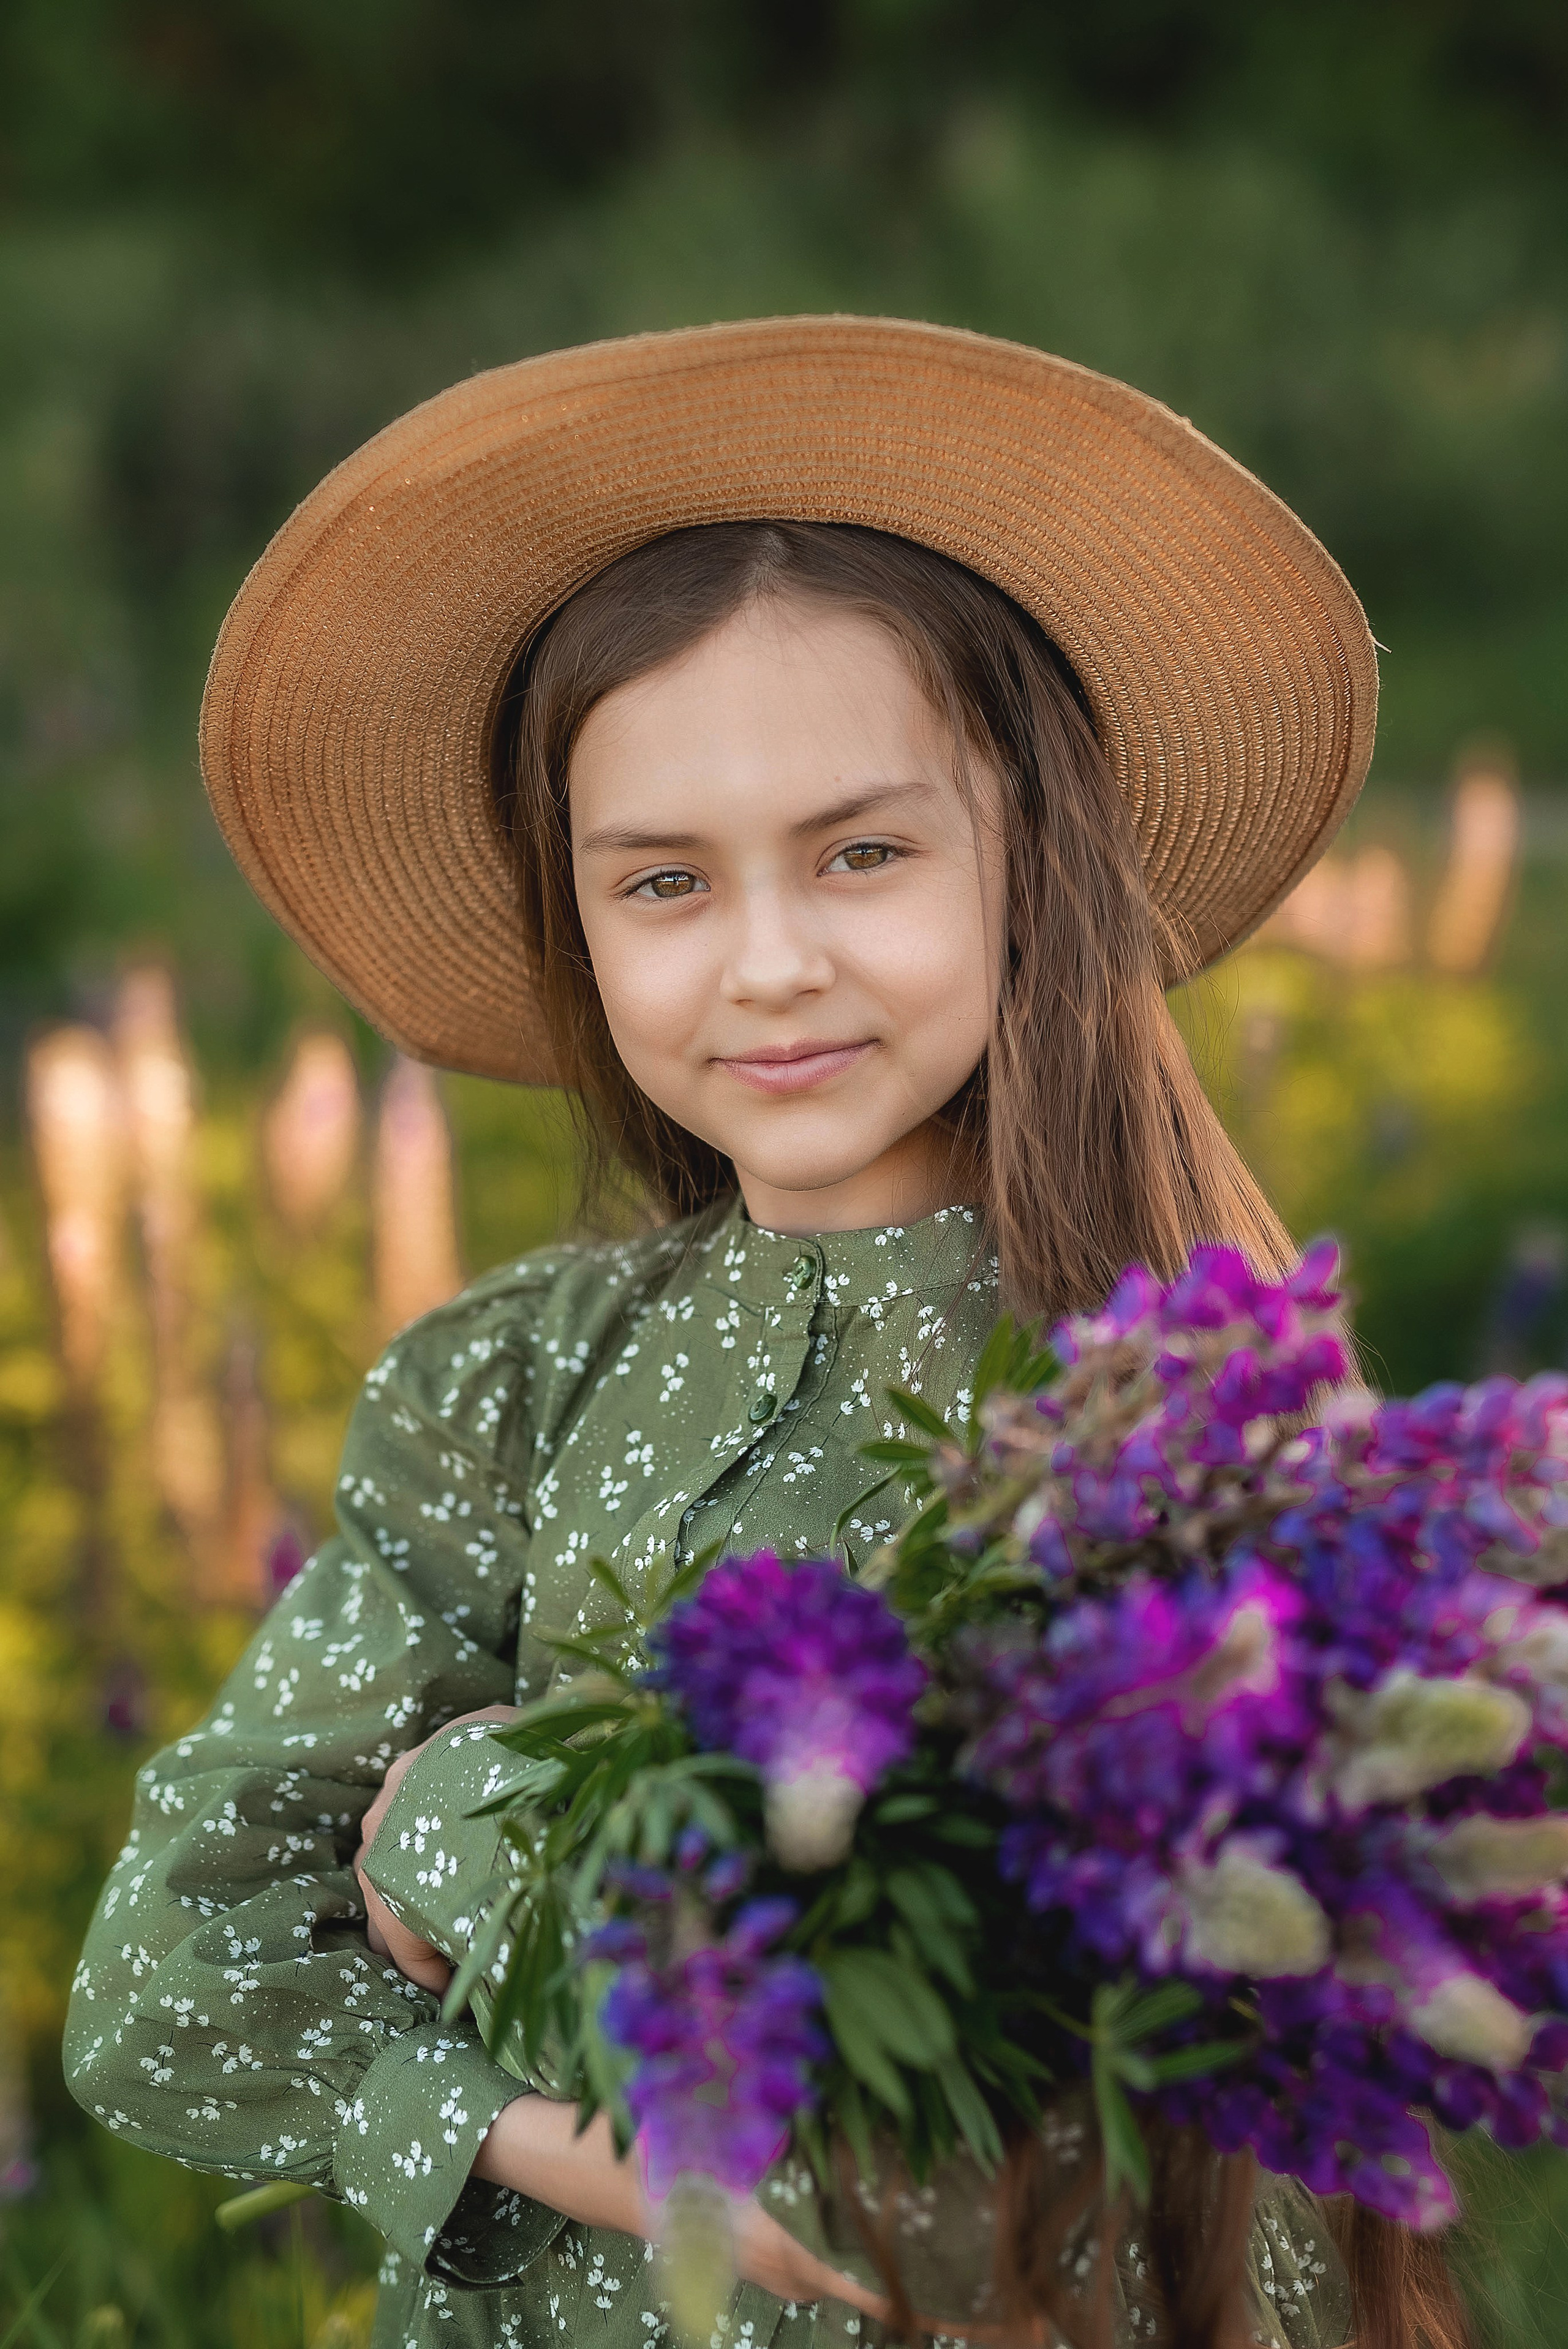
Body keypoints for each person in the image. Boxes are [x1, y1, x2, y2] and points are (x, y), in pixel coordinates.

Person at [64, 319, 1441, 2349]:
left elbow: (977, 2061)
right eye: (663, 883)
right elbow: (161, 1979)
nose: (770, 962)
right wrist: (554, 2142)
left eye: (863, 852)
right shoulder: (507, 1381)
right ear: (580, 915)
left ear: (1025, 863)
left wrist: (468, 1806)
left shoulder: (1175, 1403)